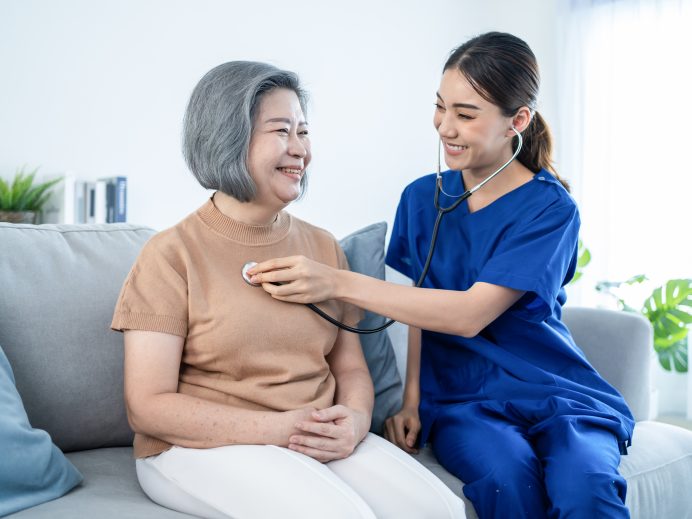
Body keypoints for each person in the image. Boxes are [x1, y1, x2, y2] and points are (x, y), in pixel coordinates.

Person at [248, 33, 635, 519]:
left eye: (466, 114)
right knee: (506, 481)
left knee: (586, 489)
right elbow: (419, 305)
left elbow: (470, 314)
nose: (445, 128)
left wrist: (334, 280)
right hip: (463, 399)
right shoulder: (420, 198)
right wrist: (412, 400)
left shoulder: (551, 209)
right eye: (440, 107)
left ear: (517, 121)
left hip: (555, 390)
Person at [110, 61, 464, 519]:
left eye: (303, 132)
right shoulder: (170, 255)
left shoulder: (321, 247)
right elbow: (147, 407)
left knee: (439, 510)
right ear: (228, 138)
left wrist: (355, 421)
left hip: (306, 433)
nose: (300, 149)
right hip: (194, 448)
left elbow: (351, 369)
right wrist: (277, 428)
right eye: (282, 131)